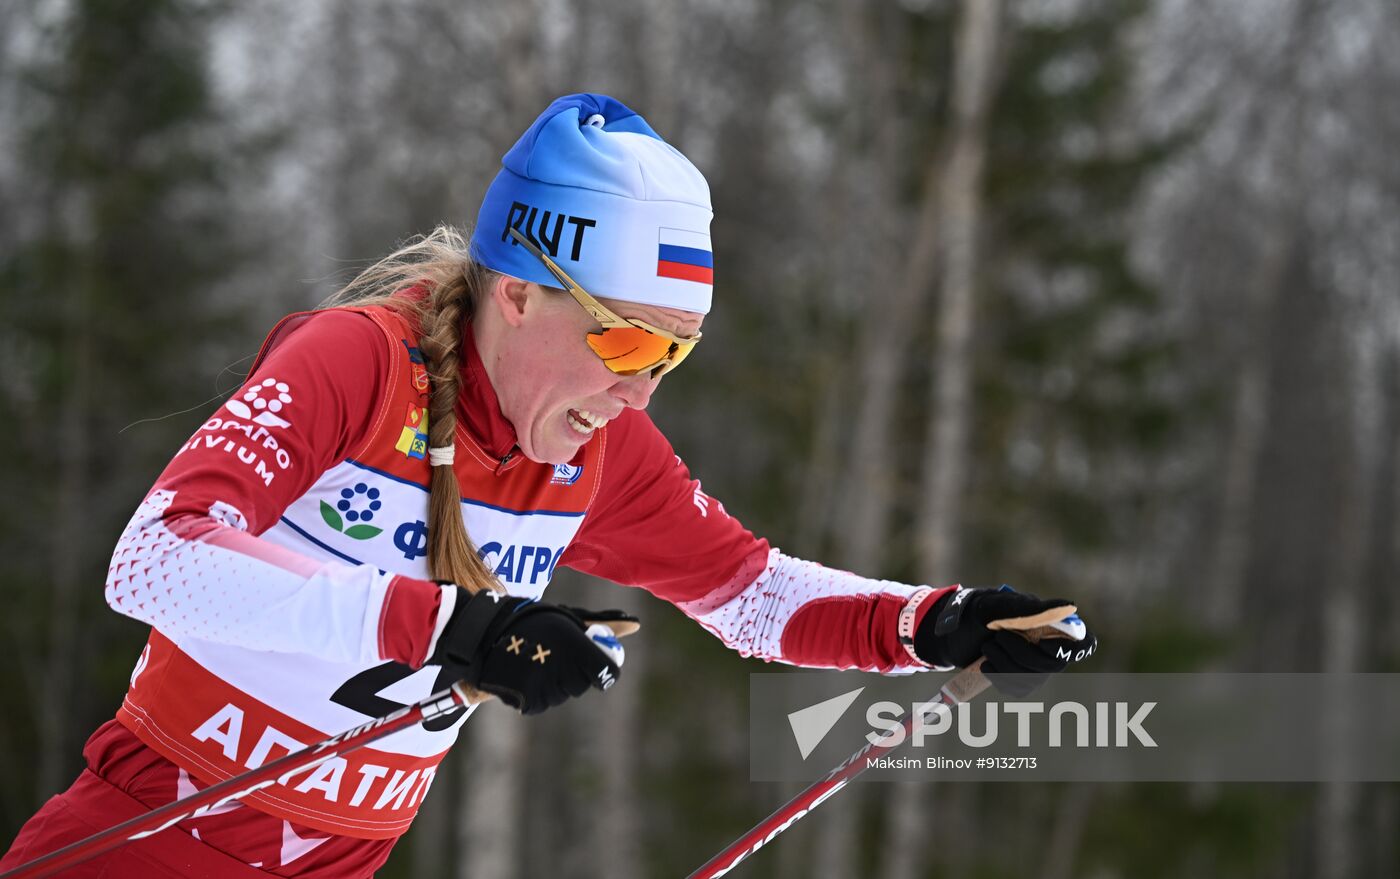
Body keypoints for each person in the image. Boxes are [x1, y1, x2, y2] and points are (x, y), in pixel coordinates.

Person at [1, 93, 1096, 878]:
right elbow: (156, 558)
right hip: (145, 844)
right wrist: (449, 628)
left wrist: (932, 624)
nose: (641, 391)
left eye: (675, 354)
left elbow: (750, 593)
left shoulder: (596, 449)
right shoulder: (359, 363)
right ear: (520, 292)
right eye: (627, 343)